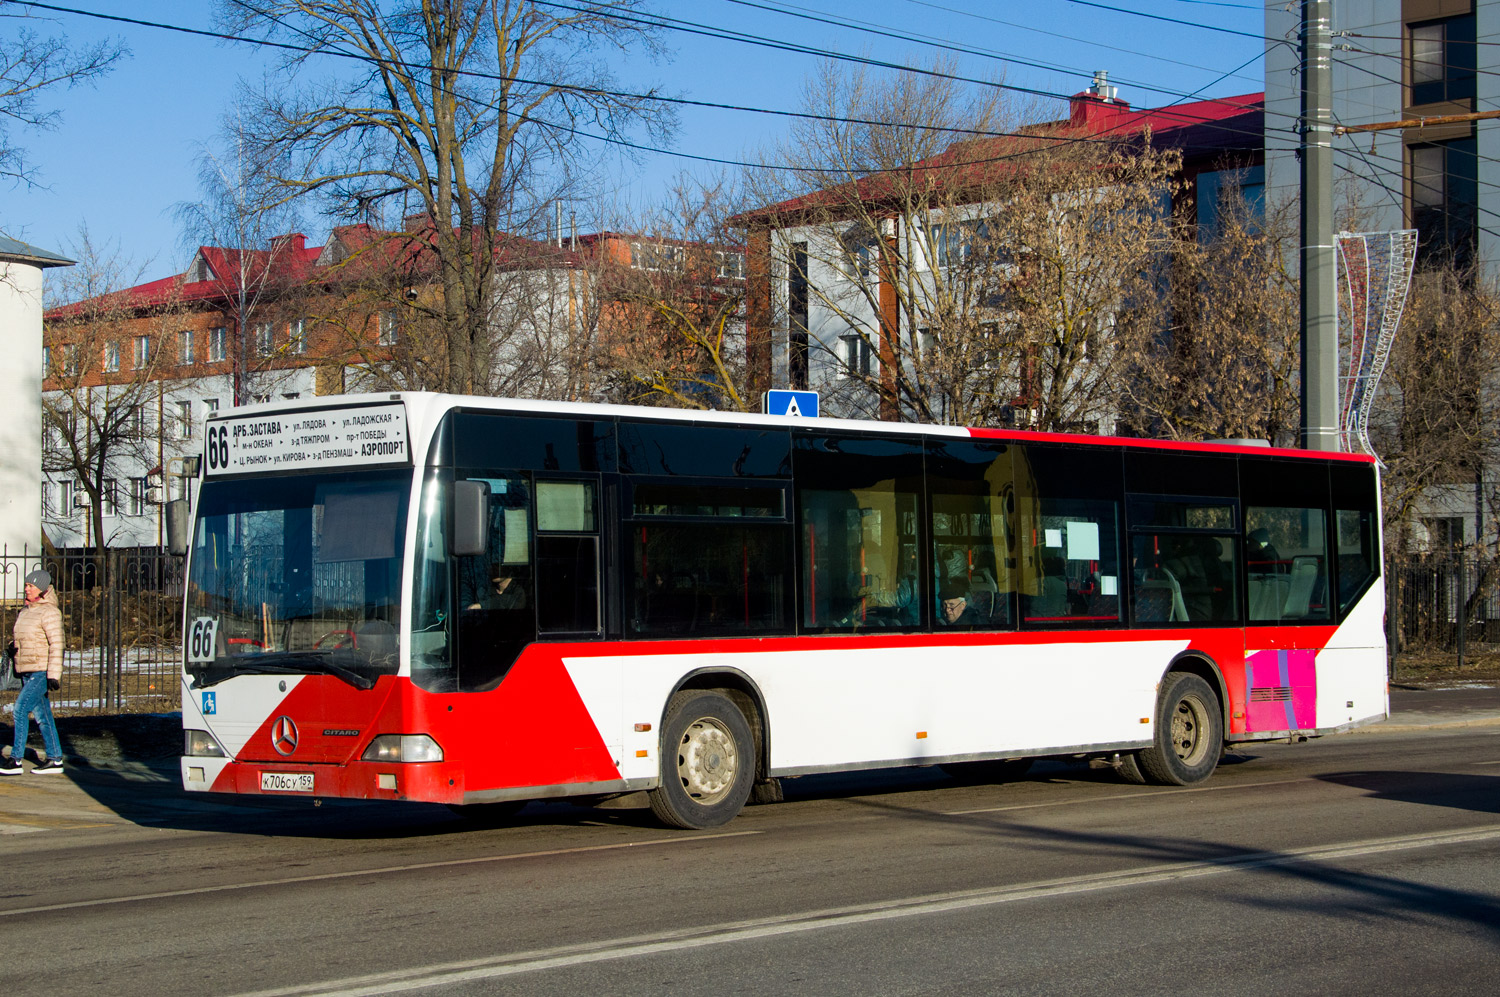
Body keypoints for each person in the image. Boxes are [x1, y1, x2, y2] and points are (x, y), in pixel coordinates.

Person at [2, 569, 65, 775]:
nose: (26, 589)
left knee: (19, 709)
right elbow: (26, 638)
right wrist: (13, 647)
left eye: (30, 586)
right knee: (43, 716)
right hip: (27, 670)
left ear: (42, 589)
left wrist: (54, 675)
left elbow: (57, 644)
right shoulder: (27, 611)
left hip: (40, 670)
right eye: (26, 585)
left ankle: (16, 760)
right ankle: (55, 759)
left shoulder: (50, 612)